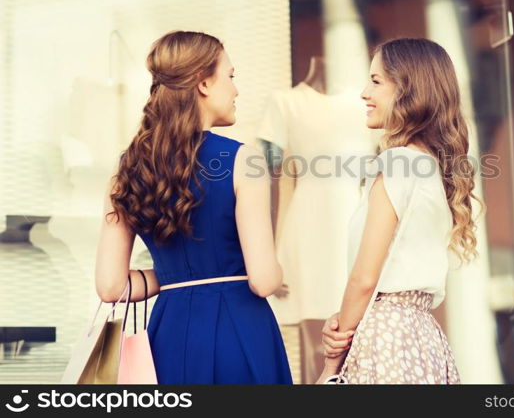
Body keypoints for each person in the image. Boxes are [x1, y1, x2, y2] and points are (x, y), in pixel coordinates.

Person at [95, 30, 293, 384]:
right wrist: (281, 272)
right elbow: (263, 281)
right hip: (240, 331)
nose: (236, 89)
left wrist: (176, 279)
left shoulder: (128, 167)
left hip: (166, 336)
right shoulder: (242, 159)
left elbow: (111, 287)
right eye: (230, 77)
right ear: (203, 83)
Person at [316, 37, 482, 384]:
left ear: (408, 91)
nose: (364, 93)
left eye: (376, 81)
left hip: (385, 339)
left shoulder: (397, 163)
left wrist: (334, 354)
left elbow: (365, 278)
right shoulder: (432, 168)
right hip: (423, 337)